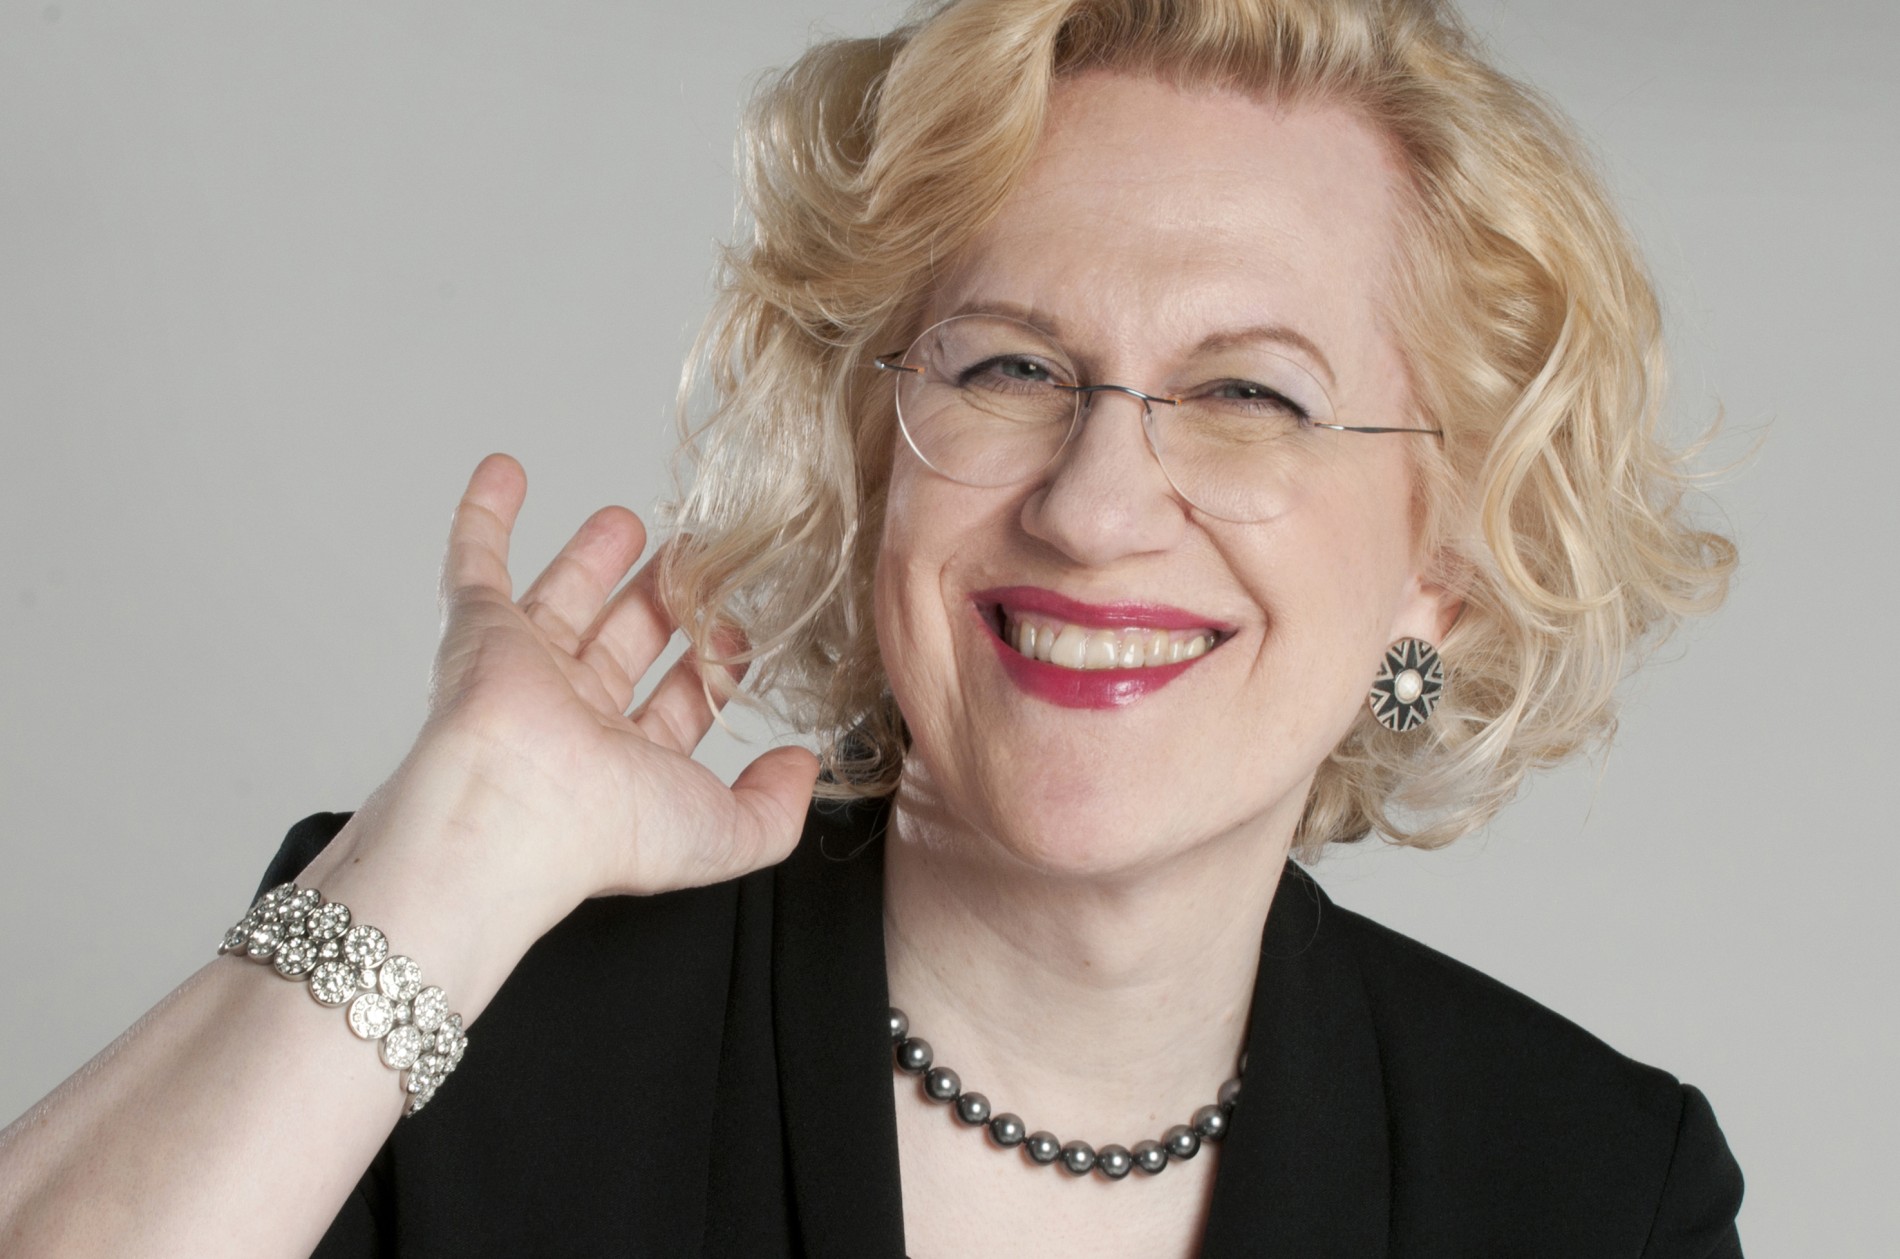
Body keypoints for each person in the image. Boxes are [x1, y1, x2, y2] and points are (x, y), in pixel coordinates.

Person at [0, 0, 1744, 1254]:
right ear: (871, 457)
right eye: (1009, 368)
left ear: (1442, 558)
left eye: (1247, 397)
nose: (1095, 502)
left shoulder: (1591, 1189)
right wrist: (451, 850)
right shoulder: (476, 995)